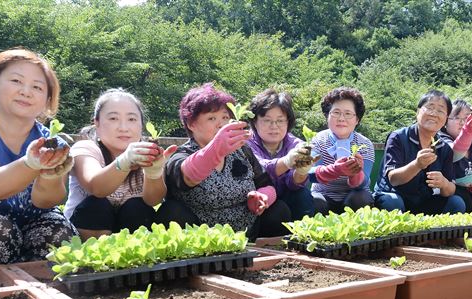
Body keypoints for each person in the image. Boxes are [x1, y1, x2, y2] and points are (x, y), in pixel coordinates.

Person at [0, 48, 76, 266]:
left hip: (30, 221)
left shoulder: (50, 142)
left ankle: (42, 296)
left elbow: (47, 201)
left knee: (58, 232)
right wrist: (31, 163)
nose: (26, 91)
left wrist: (50, 175)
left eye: (37, 87)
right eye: (16, 81)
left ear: (47, 99)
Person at [156, 83, 291, 240]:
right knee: (171, 211)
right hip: (202, 235)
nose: (221, 124)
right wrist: (216, 149)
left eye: (225, 117)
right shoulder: (181, 155)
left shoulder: (242, 151)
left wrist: (261, 197)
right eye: (212, 118)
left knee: (280, 209)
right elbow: (188, 176)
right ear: (191, 124)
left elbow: (266, 184)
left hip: (247, 229)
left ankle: (262, 255)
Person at [63, 89, 176, 240]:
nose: (123, 127)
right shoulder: (86, 148)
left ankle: (133, 260)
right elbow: (96, 187)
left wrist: (153, 172)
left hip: (128, 236)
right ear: (96, 123)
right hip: (85, 233)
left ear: (141, 125)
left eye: (131, 119)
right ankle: (91, 260)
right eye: (113, 118)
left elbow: (153, 200)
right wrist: (125, 161)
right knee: (97, 205)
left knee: (137, 207)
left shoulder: (146, 153)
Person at [374, 90, 466, 214]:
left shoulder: (444, 148)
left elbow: (450, 189)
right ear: (418, 112)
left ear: (445, 119)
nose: (434, 113)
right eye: (429, 107)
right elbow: (393, 179)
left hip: (424, 200)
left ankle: (435, 233)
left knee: (456, 202)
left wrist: (444, 183)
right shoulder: (398, 137)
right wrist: (417, 165)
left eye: (440, 111)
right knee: (393, 203)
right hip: (393, 195)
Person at [247, 89, 315, 220]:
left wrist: (301, 172)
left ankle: (304, 237)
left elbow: (294, 183)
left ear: (288, 122)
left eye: (280, 120)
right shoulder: (246, 143)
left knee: (303, 195)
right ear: (255, 122)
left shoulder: (296, 144)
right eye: (267, 120)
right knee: (277, 212)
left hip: (286, 196)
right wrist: (288, 161)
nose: (274, 126)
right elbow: (261, 170)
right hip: (257, 200)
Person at [309, 87, 374, 215]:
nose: (341, 118)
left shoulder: (365, 144)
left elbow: (363, 183)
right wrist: (334, 170)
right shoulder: (318, 140)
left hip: (353, 196)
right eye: (336, 112)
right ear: (327, 116)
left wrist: (355, 172)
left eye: (348, 114)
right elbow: (309, 174)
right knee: (314, 201)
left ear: (357, 120)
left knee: (360, 198)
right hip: (323, 195)